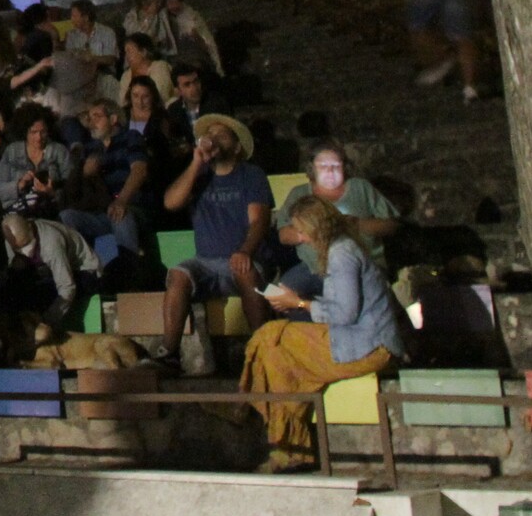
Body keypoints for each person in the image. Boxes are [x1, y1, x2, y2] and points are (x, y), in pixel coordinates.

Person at [244, 196, 403, 471]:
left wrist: (299, 303)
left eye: (303, 231)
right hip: (359, 338)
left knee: (272, 338)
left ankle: (274, 433)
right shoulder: (341, 248)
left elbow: (344, 314)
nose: (301, 238)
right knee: (274, 344)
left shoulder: (342, 253)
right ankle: (286, 443)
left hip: (367, 345)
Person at [154, 115, 275, 368]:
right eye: (210, 134)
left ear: (237, 146)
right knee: (178, 274)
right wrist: (196, 164)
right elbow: (170, 202)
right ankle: (170, 353)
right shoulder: (199, 175)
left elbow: (259, 222)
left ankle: (264, 349)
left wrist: (244, 251)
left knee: (246, 271)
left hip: (242, 257)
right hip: (205, 263)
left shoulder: (251, 175)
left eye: (222, 135)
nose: (214, 139)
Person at [271, 141, 399, 298]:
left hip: (362, 265)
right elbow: (283, 235)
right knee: (279, 294)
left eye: (336, 166)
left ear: (344, 167)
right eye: (323, 166)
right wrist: (311, 232)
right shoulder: (299, 194)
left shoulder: (360, 188)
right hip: (315, 269)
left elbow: (391, 225)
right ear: (312, 169)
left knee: (353, 299)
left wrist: (356, 224)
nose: (330, 171)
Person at [65, 99, 151, 256]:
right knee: (68, 217)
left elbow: (139, 170)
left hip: (131, 207)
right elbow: (74, 189)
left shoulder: (130, 137)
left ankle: (131, 270)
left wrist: (122, 200)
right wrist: (85, 174)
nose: (91, 123)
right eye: (89, 118)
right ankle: (90, 271)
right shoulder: (90, 148)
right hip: (101, 211)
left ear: (113, 119)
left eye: (97, 117)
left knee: (119, 214)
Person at [0, 212, 102, 328]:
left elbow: (67, 287)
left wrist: (47, 321)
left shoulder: (51, 242)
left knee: (47, 299)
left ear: (30, 227)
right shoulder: (11, 241)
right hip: (48, 272)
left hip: (83, 270)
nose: (25, 252)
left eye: (26, 244)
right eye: (18, 248)